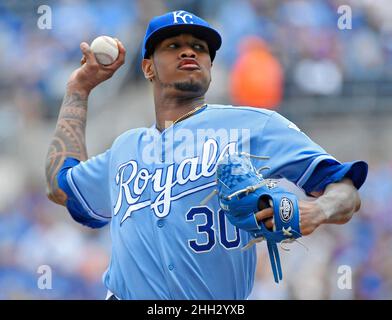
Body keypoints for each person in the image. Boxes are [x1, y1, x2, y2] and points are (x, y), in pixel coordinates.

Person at [45, 10, 368, 300]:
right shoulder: (126, 147)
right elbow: (60, 187)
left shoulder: (254, 125)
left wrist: (318, 209)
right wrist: (79, 89)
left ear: (210, 67)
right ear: (148, 68)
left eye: (200, 48)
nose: (189, 51)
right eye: (172, 46)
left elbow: (345, 191)